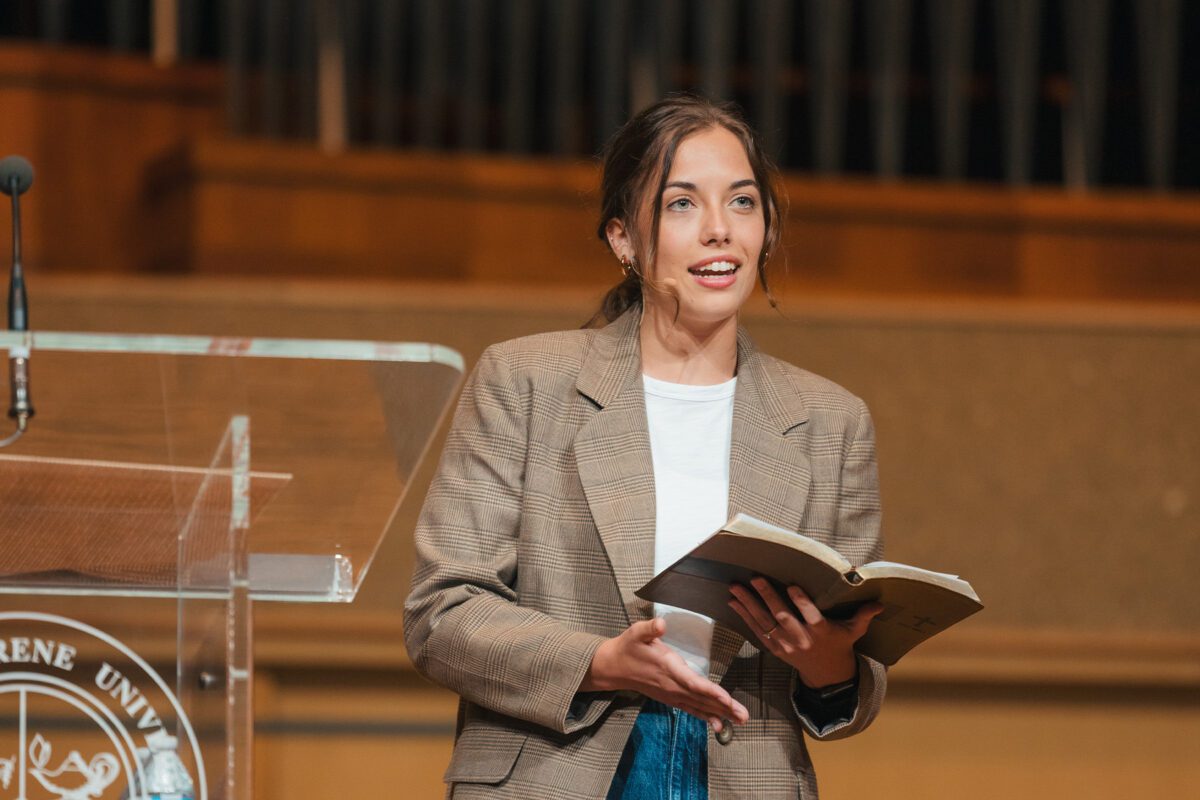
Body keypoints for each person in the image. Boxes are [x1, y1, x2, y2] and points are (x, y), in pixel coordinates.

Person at [404, 95, 886, 800]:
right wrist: (599, 661)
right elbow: (441, 614)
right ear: (624, 238)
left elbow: (851, 686)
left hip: (742, 772)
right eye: (683, 204)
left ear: (768, 228)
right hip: (555, 766)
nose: (720, 230)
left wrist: (829, 664)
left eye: (743, 203)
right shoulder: (527, 381)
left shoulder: (831, 422)